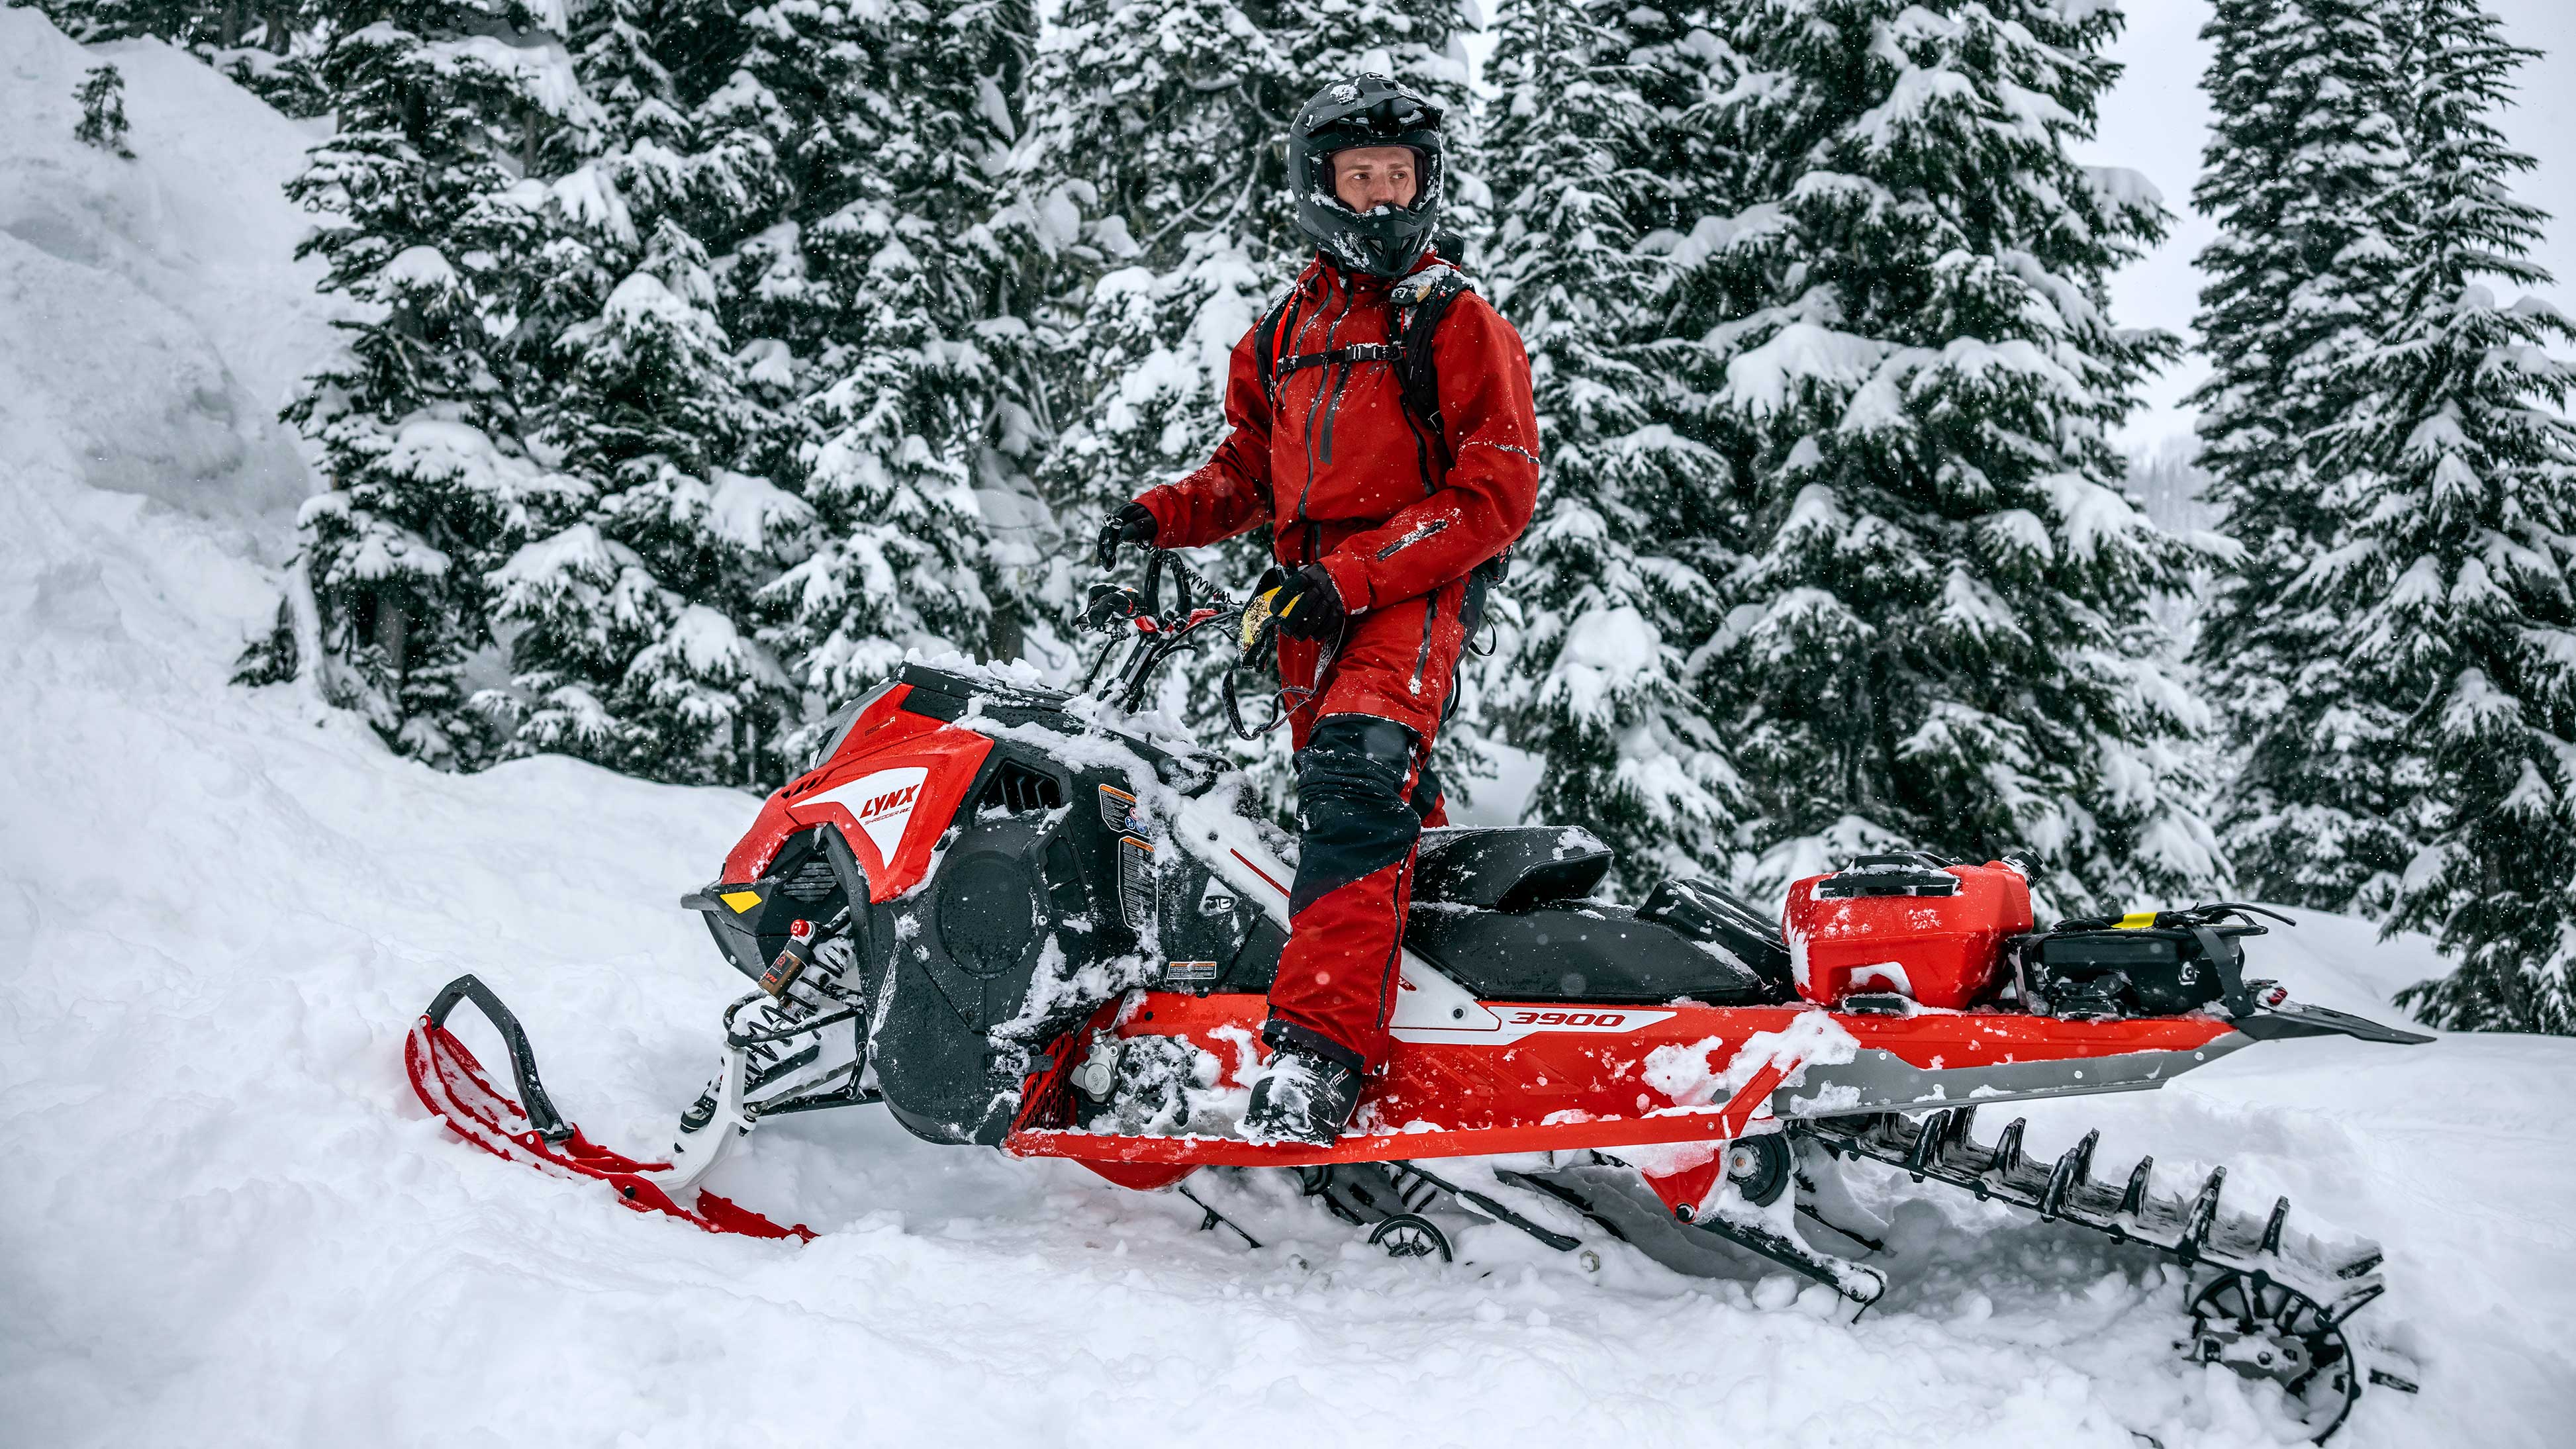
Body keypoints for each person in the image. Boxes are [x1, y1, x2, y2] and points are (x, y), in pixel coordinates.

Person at [1094, 75, 1541, 1145]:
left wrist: (1358, 573)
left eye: (1401, 180)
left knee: (1353, 783)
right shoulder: (1282, 333)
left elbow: (1498, 487)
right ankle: (1434, 1031)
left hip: (1407, 593)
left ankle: (1316, 1060)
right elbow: (1248, 469)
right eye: (1363, 180)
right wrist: (1158, 516)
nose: (1385, 202)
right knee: (1370, 820)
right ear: (1319, 188)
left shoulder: (1457, 319)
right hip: (1308, 608)